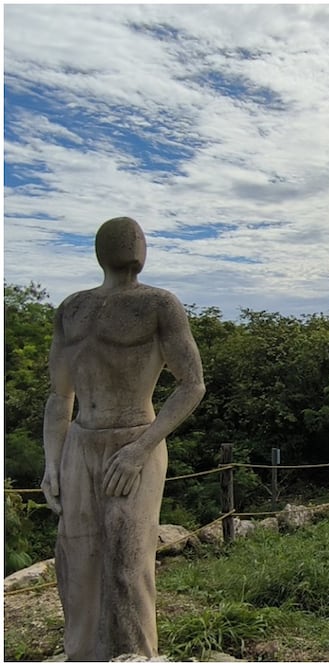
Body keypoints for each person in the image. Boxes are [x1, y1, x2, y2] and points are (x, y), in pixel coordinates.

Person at [41, 216, 205, 661]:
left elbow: (192, 384)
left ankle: (135, 656)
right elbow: (60, 396)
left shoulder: (158, 304)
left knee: (127, 565)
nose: (131, 243)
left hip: (135, 441)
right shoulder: (71, 308)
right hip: (79, 444)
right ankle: (82, 656)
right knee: (76, 562)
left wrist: (140, 448)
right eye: (125, 238)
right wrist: (52, 462)